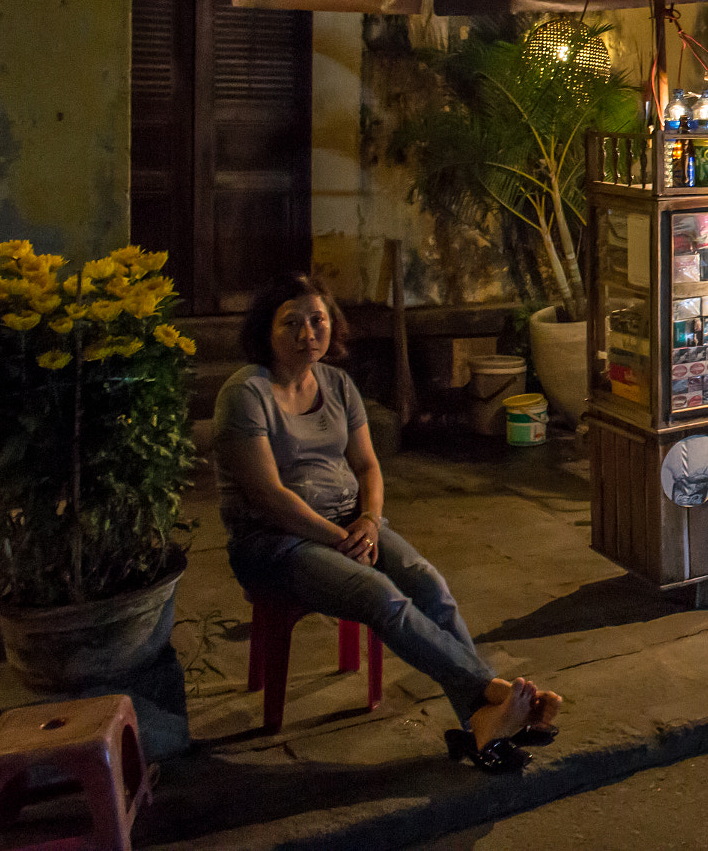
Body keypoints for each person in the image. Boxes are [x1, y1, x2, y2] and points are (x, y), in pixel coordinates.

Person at [214, 274, 561, 770]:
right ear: (265, 331)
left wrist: (371, 521)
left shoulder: (336, 384)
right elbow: (269, 497)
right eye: (291, 322)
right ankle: (491, 693)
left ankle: (483, 724)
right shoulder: (246, 394)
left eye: (318, 320)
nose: (308, 332)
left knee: (428, 583)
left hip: (351, 524)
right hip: (274, 543)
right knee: (382, 597)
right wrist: (341, 538)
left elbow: (368, 467)